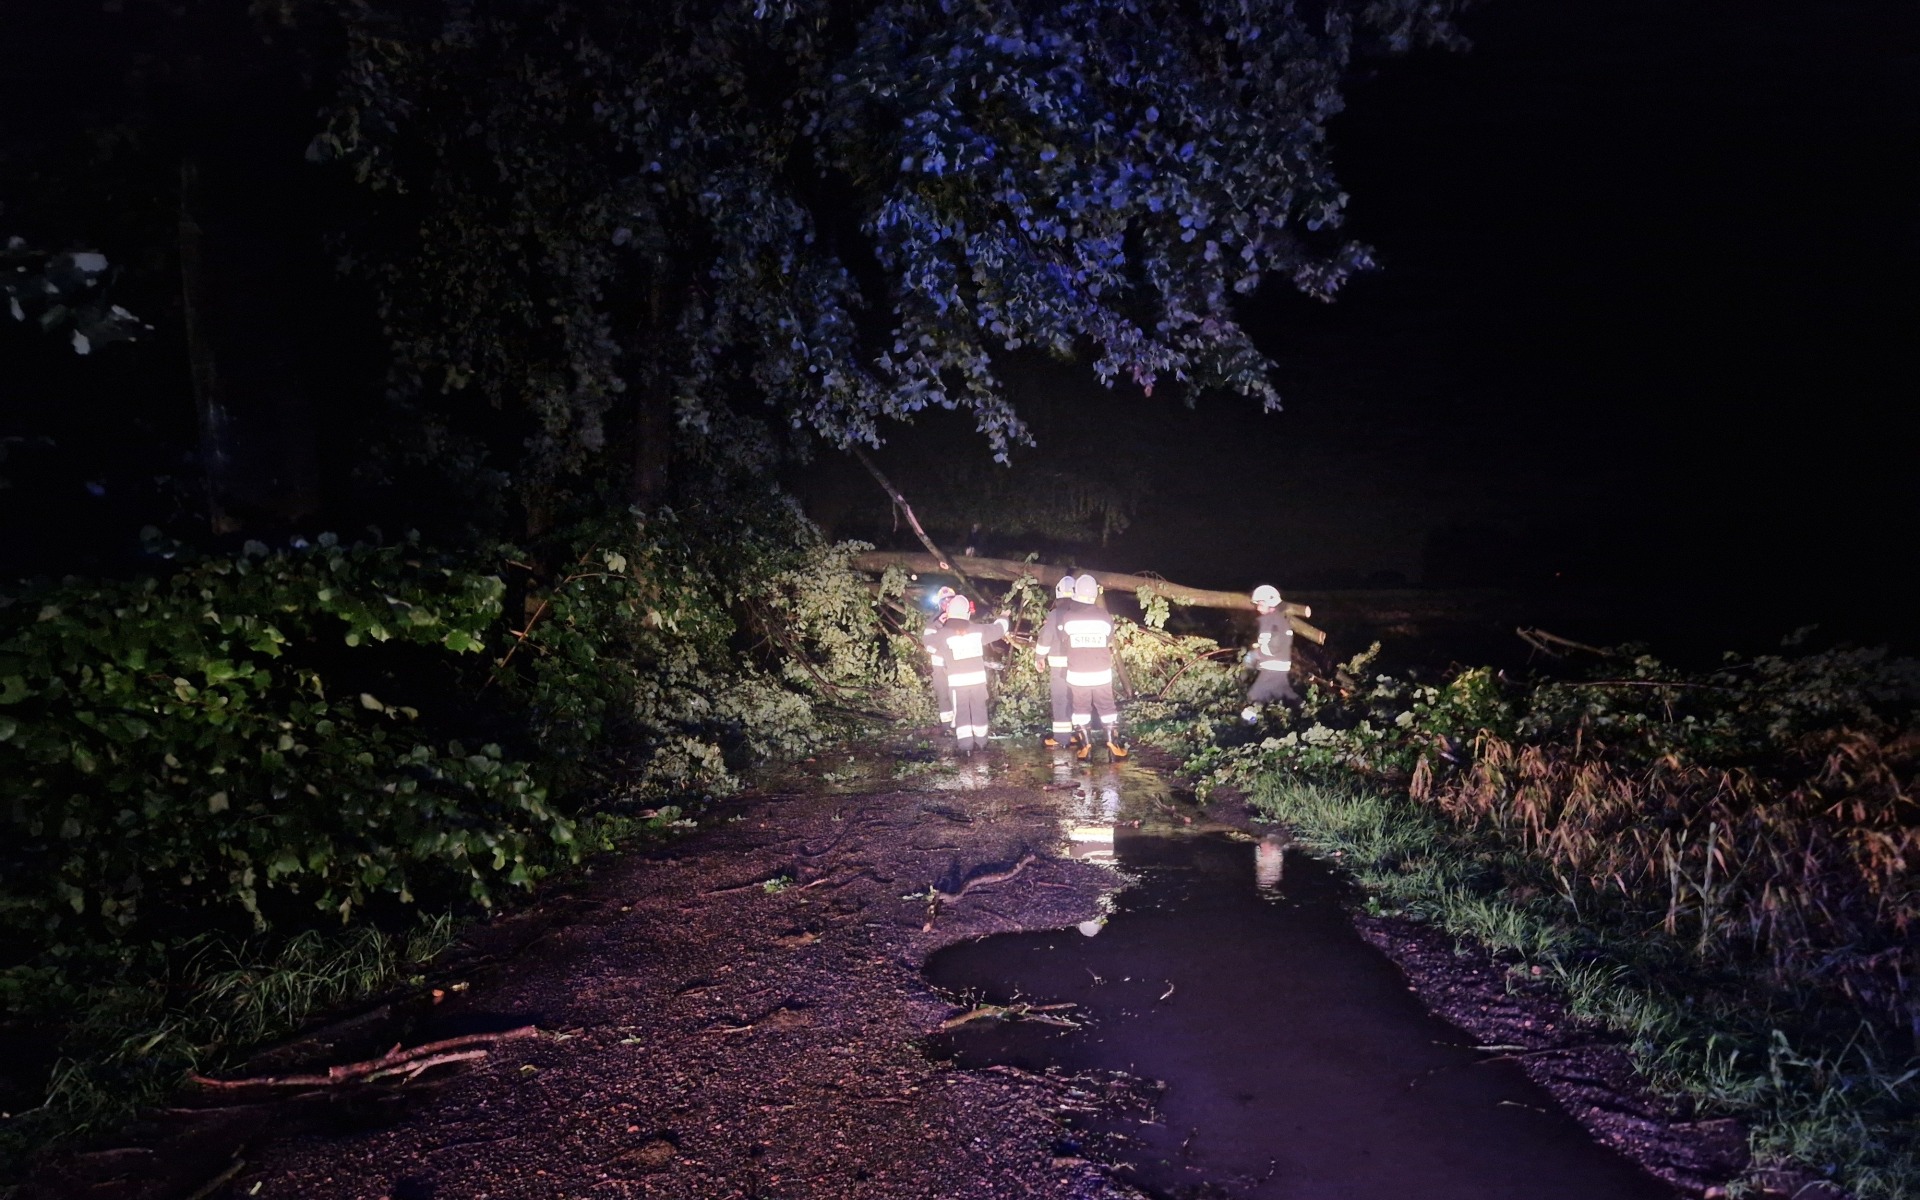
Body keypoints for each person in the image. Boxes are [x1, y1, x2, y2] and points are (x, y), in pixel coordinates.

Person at [1061, 573, 1127, 760]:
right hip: (1101, 673)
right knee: (1107, 707)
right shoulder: (1104, 617)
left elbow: (1064, 639)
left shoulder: (1068, 617)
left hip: (1078, 674)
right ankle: (1113, 746)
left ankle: (1085, 747)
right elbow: (1107, 637)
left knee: (1080, 708)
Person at [938, 593, 1008, 753]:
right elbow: (999, 629)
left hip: (957, 684)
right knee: (979, 710)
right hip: (977, 682)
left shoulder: (943, 634)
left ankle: (966, 747)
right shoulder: (977, 630)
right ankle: (982, 743)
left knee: (961, 714)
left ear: (949, 613)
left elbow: (930, 644)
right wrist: (1004, 616)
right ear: (967, 613)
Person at [1241, 583, 1298, 721]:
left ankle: (1251, 728)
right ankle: (1297, 714)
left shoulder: (1274, 620)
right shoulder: (1275, 619)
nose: (1258, 607)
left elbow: (1275, 644)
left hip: (1272, 667)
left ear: (1270, 603)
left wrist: (1257, 653)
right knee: (1281, 696)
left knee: (1253, 699)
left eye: (1260, 603)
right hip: (1277, 666)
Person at [1033, 574, 1077, 748]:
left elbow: (1045, 638)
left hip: (1059, 667)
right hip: (1079, 664)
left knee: (1060, 700)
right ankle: (1079, 735)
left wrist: (1039, 658)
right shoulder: (1080, 612)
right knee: (1078, 699)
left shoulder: (1054, 615)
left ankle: (1062, 738)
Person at [921, 586, 957, 730]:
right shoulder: (933, 622)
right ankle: (947, 727)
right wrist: (939, 625)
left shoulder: (960, 618)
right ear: (939, 604)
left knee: (957, 694)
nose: (947, 604)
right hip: (940, 667)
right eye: (944, 601)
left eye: (950, 601)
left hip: (956, 665)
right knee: (943, 696)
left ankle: (960, 725)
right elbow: (928, 645)